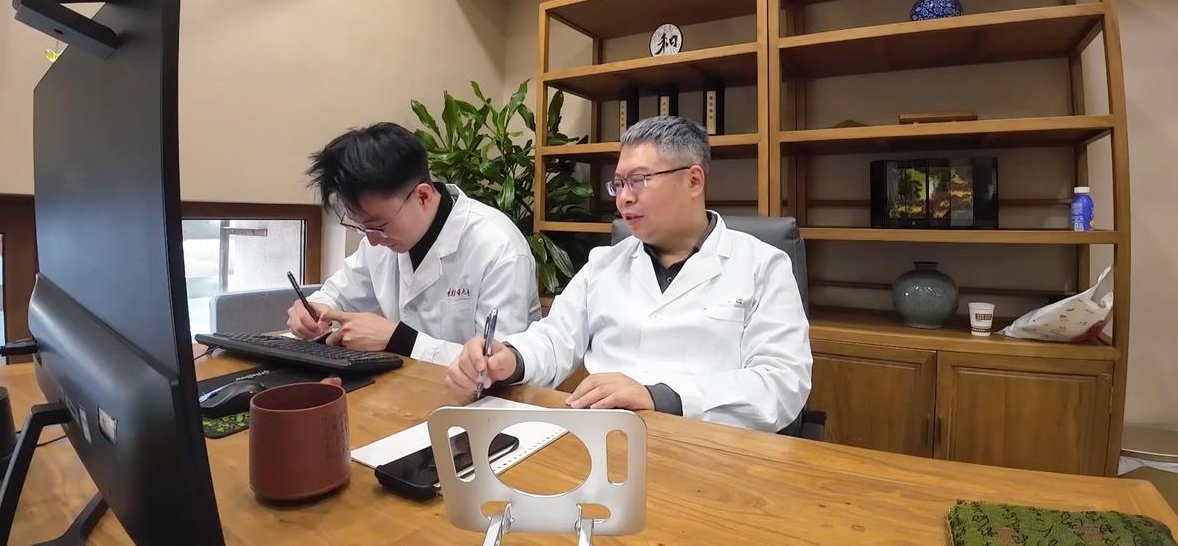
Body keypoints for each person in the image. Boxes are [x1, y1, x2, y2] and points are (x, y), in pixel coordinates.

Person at [445, 115, 812, 432]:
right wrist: (509, 358)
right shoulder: (603, 264)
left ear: (694, 180)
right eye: (618, 184)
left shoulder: (762, 266)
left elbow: (782, 383)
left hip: (709, 446)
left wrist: (661, 397)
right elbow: (555, 338)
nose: (623, 198)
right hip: (601, 438)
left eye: (638, 180)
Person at [287, 122, 540, 365]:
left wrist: (400, 340)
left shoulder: (497, 245)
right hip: (407, 386)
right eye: (363, 227)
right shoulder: (382, 240)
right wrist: (312, 312)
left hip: (477, 395)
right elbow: (337, 295)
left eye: (379, 225)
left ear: (423, 196)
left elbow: (496, 362)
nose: (372, 240)